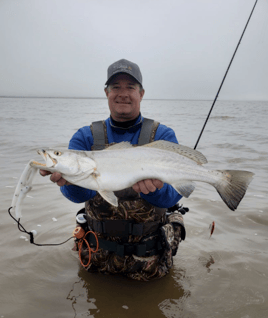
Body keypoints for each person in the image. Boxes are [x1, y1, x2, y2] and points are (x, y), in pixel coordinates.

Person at [40, 59, 186, 281]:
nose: (123, 93)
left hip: (149, 259)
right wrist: (71, 181)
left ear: (141, 93)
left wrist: (154, 190)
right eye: (116, 87)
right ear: (106, 92)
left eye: (130, 87)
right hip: (97, 255)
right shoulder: (85, 137)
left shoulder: (162, 135)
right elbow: (78, 196)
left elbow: (173, 196)